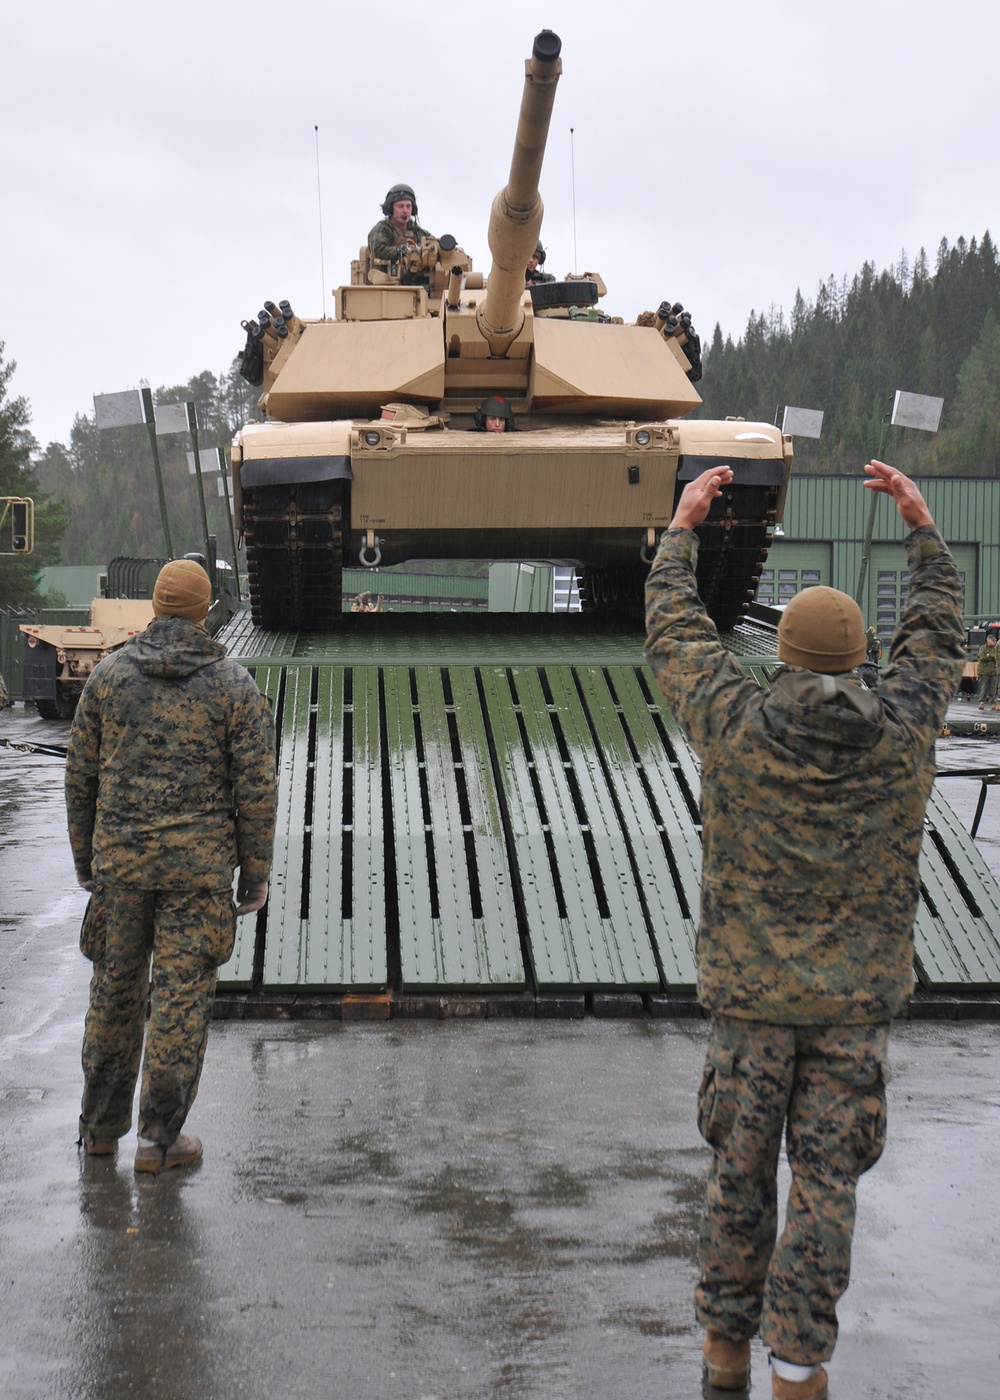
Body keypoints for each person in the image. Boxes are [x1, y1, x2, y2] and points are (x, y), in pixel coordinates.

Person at [643, 460, 964, 1399]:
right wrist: (921, 527)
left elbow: (675, 628)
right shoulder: (903, 734)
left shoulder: (735, 722)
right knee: (827, 1191)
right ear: (862, 656)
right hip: (854, 1009)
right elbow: (937, 636)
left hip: (748, 1005)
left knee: (735, 1182)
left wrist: (682, 529)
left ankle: (723, 1357)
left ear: (778, 653)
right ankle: (797, 1371)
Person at [66, 559, 277, 1174]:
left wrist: (87, 861)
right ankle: (160, 1143)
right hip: (198, 876)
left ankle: (101, 1130)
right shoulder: (232, 685)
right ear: (205, 610)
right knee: (180, 1003)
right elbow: (256, 787)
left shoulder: (107, 678)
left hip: (121, 873)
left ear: (155, 607)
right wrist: (255, 873)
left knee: (113, 997)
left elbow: (79, 777)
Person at [367, 183, 433, 265]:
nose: (405, 210)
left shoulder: (417, 232)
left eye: (408, 206)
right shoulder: (383, 229)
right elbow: (378, 249)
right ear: (391, 209)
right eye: (400, 206)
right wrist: (401, 251)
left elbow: (433, 244)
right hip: (387, 276)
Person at [977, 627, 999, 710]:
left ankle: (993, 702)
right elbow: (982, 657)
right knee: (984, 687)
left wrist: (989, 655)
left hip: (994, 671)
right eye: (993, 641)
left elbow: (996, 657)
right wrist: (990, 656)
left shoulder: (995, 648)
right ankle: (981, 702)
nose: (994, 642)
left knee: (994, 688)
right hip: (984, 671)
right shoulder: (983, 648)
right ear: (988, 641)